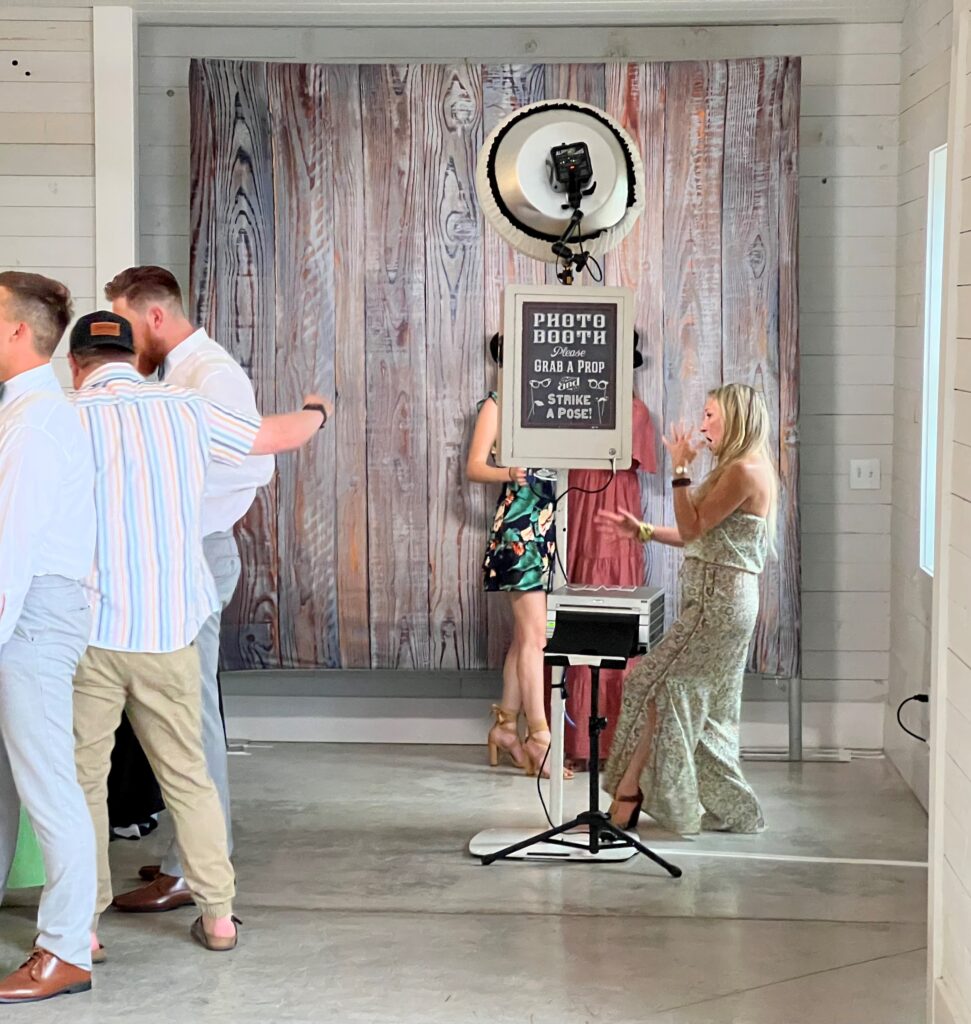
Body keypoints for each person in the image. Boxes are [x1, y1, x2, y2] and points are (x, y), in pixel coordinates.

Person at [66, 311, 332, 954]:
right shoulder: (185, 409)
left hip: (91, 631)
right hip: (168, 627)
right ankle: (217, 915)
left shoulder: (61, 415)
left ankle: (85, 927)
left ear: (75, 364)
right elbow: (277, 436)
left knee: (84, 781)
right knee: (188, 775)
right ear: (134, 357)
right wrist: (318, 409)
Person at [101, 266, 276, 912]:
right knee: (177, 713)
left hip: (193, 551)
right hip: (178, 552)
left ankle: (196, 872)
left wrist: (174, 515)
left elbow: (256, 463)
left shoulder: (210, 375)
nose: (120, 339)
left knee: (191, 717)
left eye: (123, 321)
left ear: (153, 317)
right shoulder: (175, 373)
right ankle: (191, 856)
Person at [598, 383, 777, 836]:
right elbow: (697, 534)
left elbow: (693, 527)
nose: (702, 424)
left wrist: (679, 468)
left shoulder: (744, 470)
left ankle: (629, 795)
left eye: (711, 415)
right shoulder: (736, 470)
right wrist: (642, 531)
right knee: (701, 705)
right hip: (718, 600)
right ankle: (730, 808)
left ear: (735, 418)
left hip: (718, 605)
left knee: (646, 683)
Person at [0, 273, 98, 1003]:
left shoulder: (32, 421)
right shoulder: (31, 412)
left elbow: (12, 548)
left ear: (15, 330)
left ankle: (65, 951)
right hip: (33, 609)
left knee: (48, 789)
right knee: (19, 787)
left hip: (30, 614)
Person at [467, 336, 568, 779]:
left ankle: (506, 728)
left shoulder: (539, 406)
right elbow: (473, 468)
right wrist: (512, 471)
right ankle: (540, 739)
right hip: (517, 536)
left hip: (541, 533)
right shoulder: (496, 405)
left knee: (524, 638)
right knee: (535, 640)